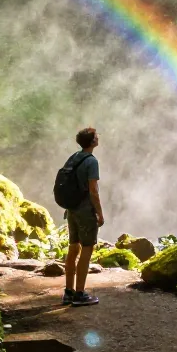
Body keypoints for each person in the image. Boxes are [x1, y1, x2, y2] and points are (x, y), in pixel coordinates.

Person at [62, 127, 104, 306]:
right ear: (93, 141)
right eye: (96, 136)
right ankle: (80, 294)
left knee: (73, 248)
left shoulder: (74, 157)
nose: (98, 137)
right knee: (87, 249)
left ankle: (68, 292)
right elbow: (93, 191)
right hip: (85, 211)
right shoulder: (91, 161)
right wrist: (100, 213)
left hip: (71, 209)